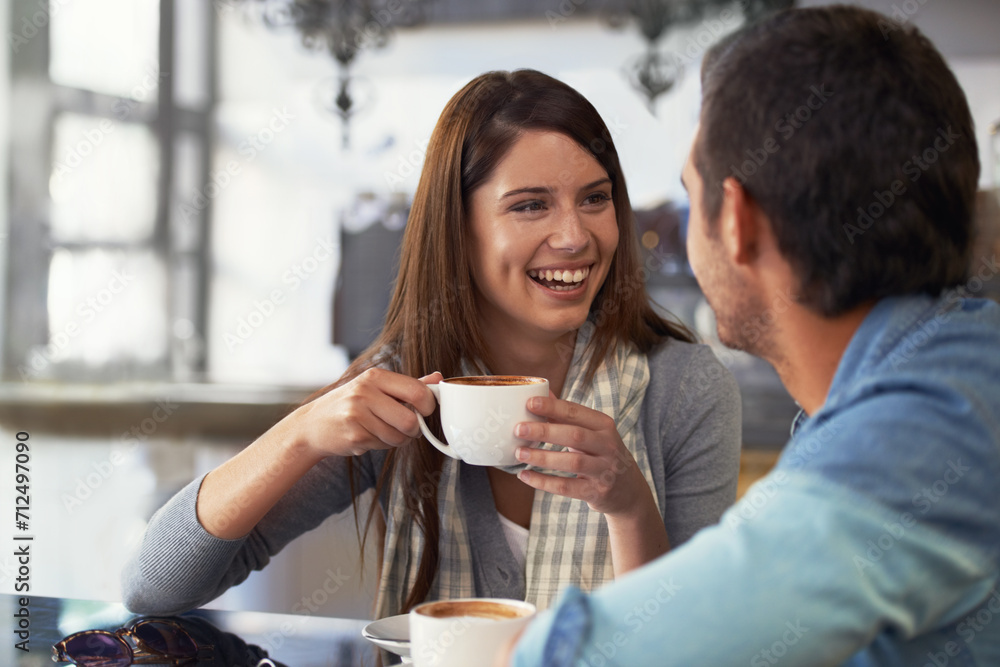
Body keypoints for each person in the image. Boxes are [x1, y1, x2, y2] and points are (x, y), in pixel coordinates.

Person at [121, 69, 742, 628]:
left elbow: (696, 643)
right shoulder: (402, 385)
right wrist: (303, 429)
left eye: (595, 198)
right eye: (530, 206)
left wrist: (629, 504)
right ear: (458, 227)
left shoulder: (684, 389)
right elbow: (154, 586)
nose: (576, 236)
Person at [504, 6, 1000, 666]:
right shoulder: (924, 375)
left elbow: (581, 657)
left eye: (690, 193)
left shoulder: (930, 420)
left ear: (736, 219)